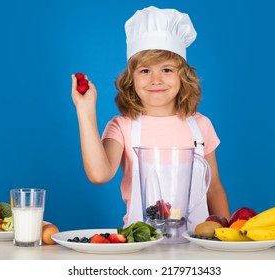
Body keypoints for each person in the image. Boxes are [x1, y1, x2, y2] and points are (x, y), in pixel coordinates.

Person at [71, 6, 230, 229]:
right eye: (145, 71)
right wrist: (85, 111)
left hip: (197, 244)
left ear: (183, 76)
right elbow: (99, 174)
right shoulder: (122, 126)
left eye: (166, 70)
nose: (156, 80)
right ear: (131, 78)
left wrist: (226, 236)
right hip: (140, 245)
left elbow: (213, 188)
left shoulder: (200, 125)